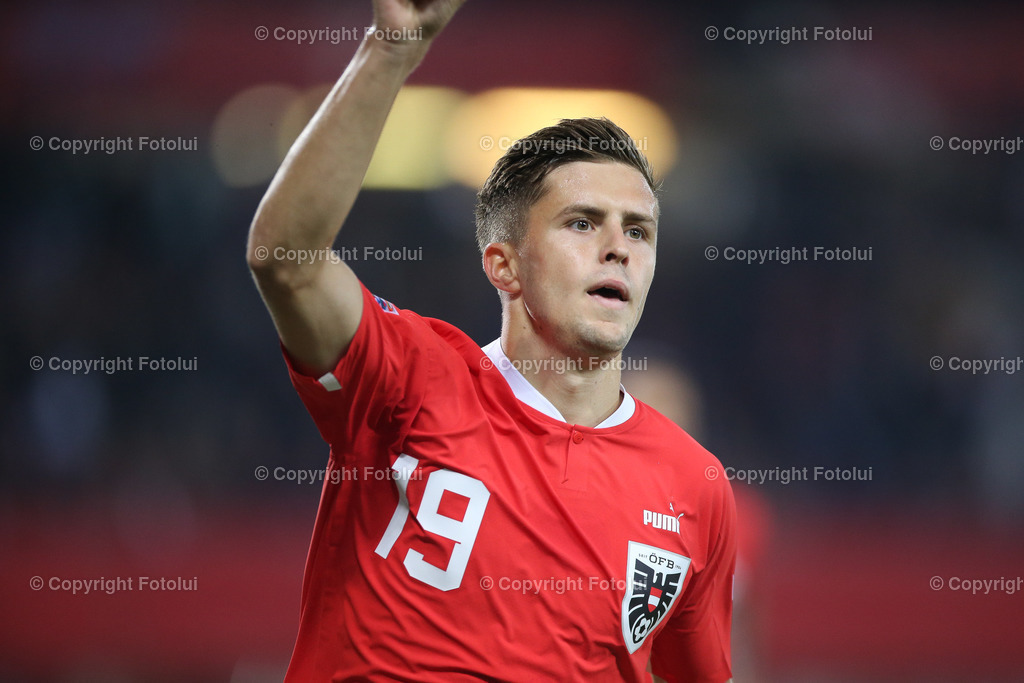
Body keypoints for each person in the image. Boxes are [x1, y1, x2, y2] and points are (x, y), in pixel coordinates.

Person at [247, 1, 736, 680]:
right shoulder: (413, 376)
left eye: (638, 230)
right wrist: (389, 52)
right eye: (583, 222)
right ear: (504, 264)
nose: (618, 249)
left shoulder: (696, 485)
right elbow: (285, 259)